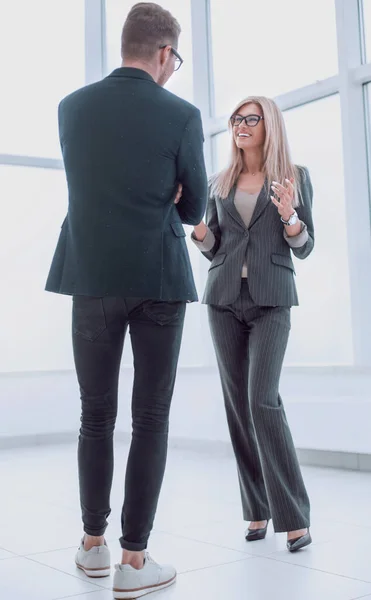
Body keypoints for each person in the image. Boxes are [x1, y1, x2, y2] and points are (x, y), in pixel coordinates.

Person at [45, 3, 207, 597]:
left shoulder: (72, 109)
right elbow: (192, 210)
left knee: (95, 414)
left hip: (90, 275)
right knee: (150, 418)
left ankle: (93, 545)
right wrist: (174, 192)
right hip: (158, 277)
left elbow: (92, 186)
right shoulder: (181, 115)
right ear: (164, 52)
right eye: (175, 59)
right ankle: (134, 562)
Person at [192, 96, 314, 553]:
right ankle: (257, 508)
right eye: (236, 120)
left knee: (263, 400)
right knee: (238, 407)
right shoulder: (218, 182)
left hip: (271, 301)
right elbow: (214, 242)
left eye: (251, 119)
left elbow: (304, 246)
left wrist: (289, 215)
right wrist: (201, 236)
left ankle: (295, 516)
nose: (241, 126)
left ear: (269, 126)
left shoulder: (295, 178)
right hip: (223, 299)